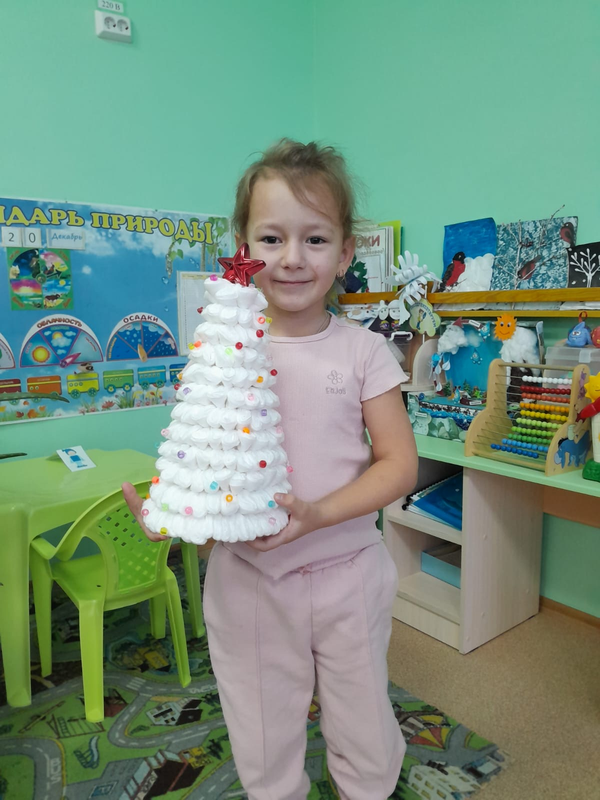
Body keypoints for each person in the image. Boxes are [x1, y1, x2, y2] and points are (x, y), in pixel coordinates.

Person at [123, 138, 418, 800]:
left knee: (364, 724)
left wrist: (319, 514)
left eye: (315, 239)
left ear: (346, 252)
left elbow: (400, 464)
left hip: (348, 574)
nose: (292, 258)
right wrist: (179, 518)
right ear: (244, 247)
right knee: (261, 733)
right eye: (272, 238)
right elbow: (208, 463)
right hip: (248, 582)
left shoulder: (365, 351)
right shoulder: (223, 350)